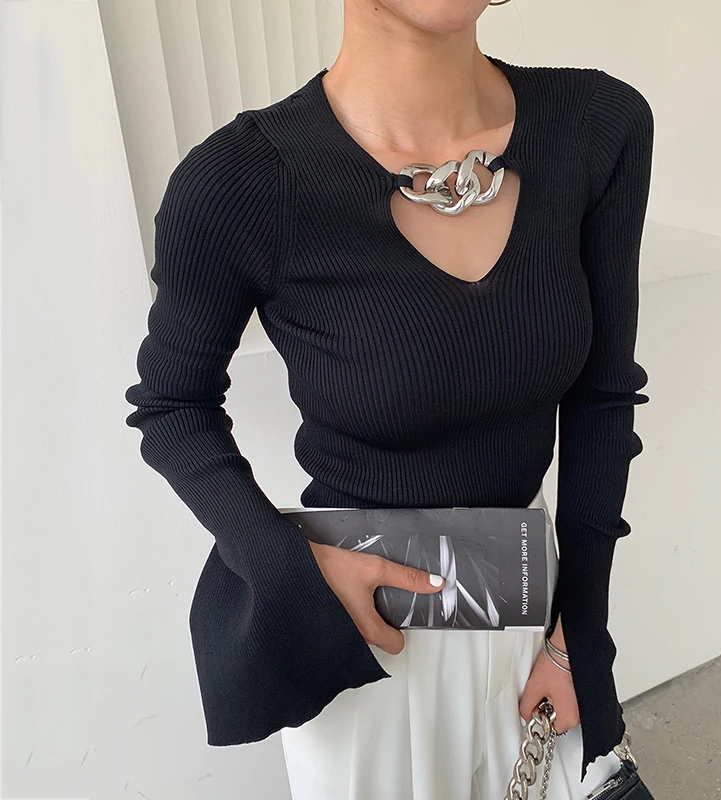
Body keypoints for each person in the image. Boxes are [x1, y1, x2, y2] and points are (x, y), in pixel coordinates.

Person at [124, 1, 654, 797]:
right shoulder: (239, 180)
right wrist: (286, 565)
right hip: (363, 647)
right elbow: (172, 405)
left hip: (533, 622)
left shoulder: (598, 127)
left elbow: (603, 398)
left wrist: (580, 635)